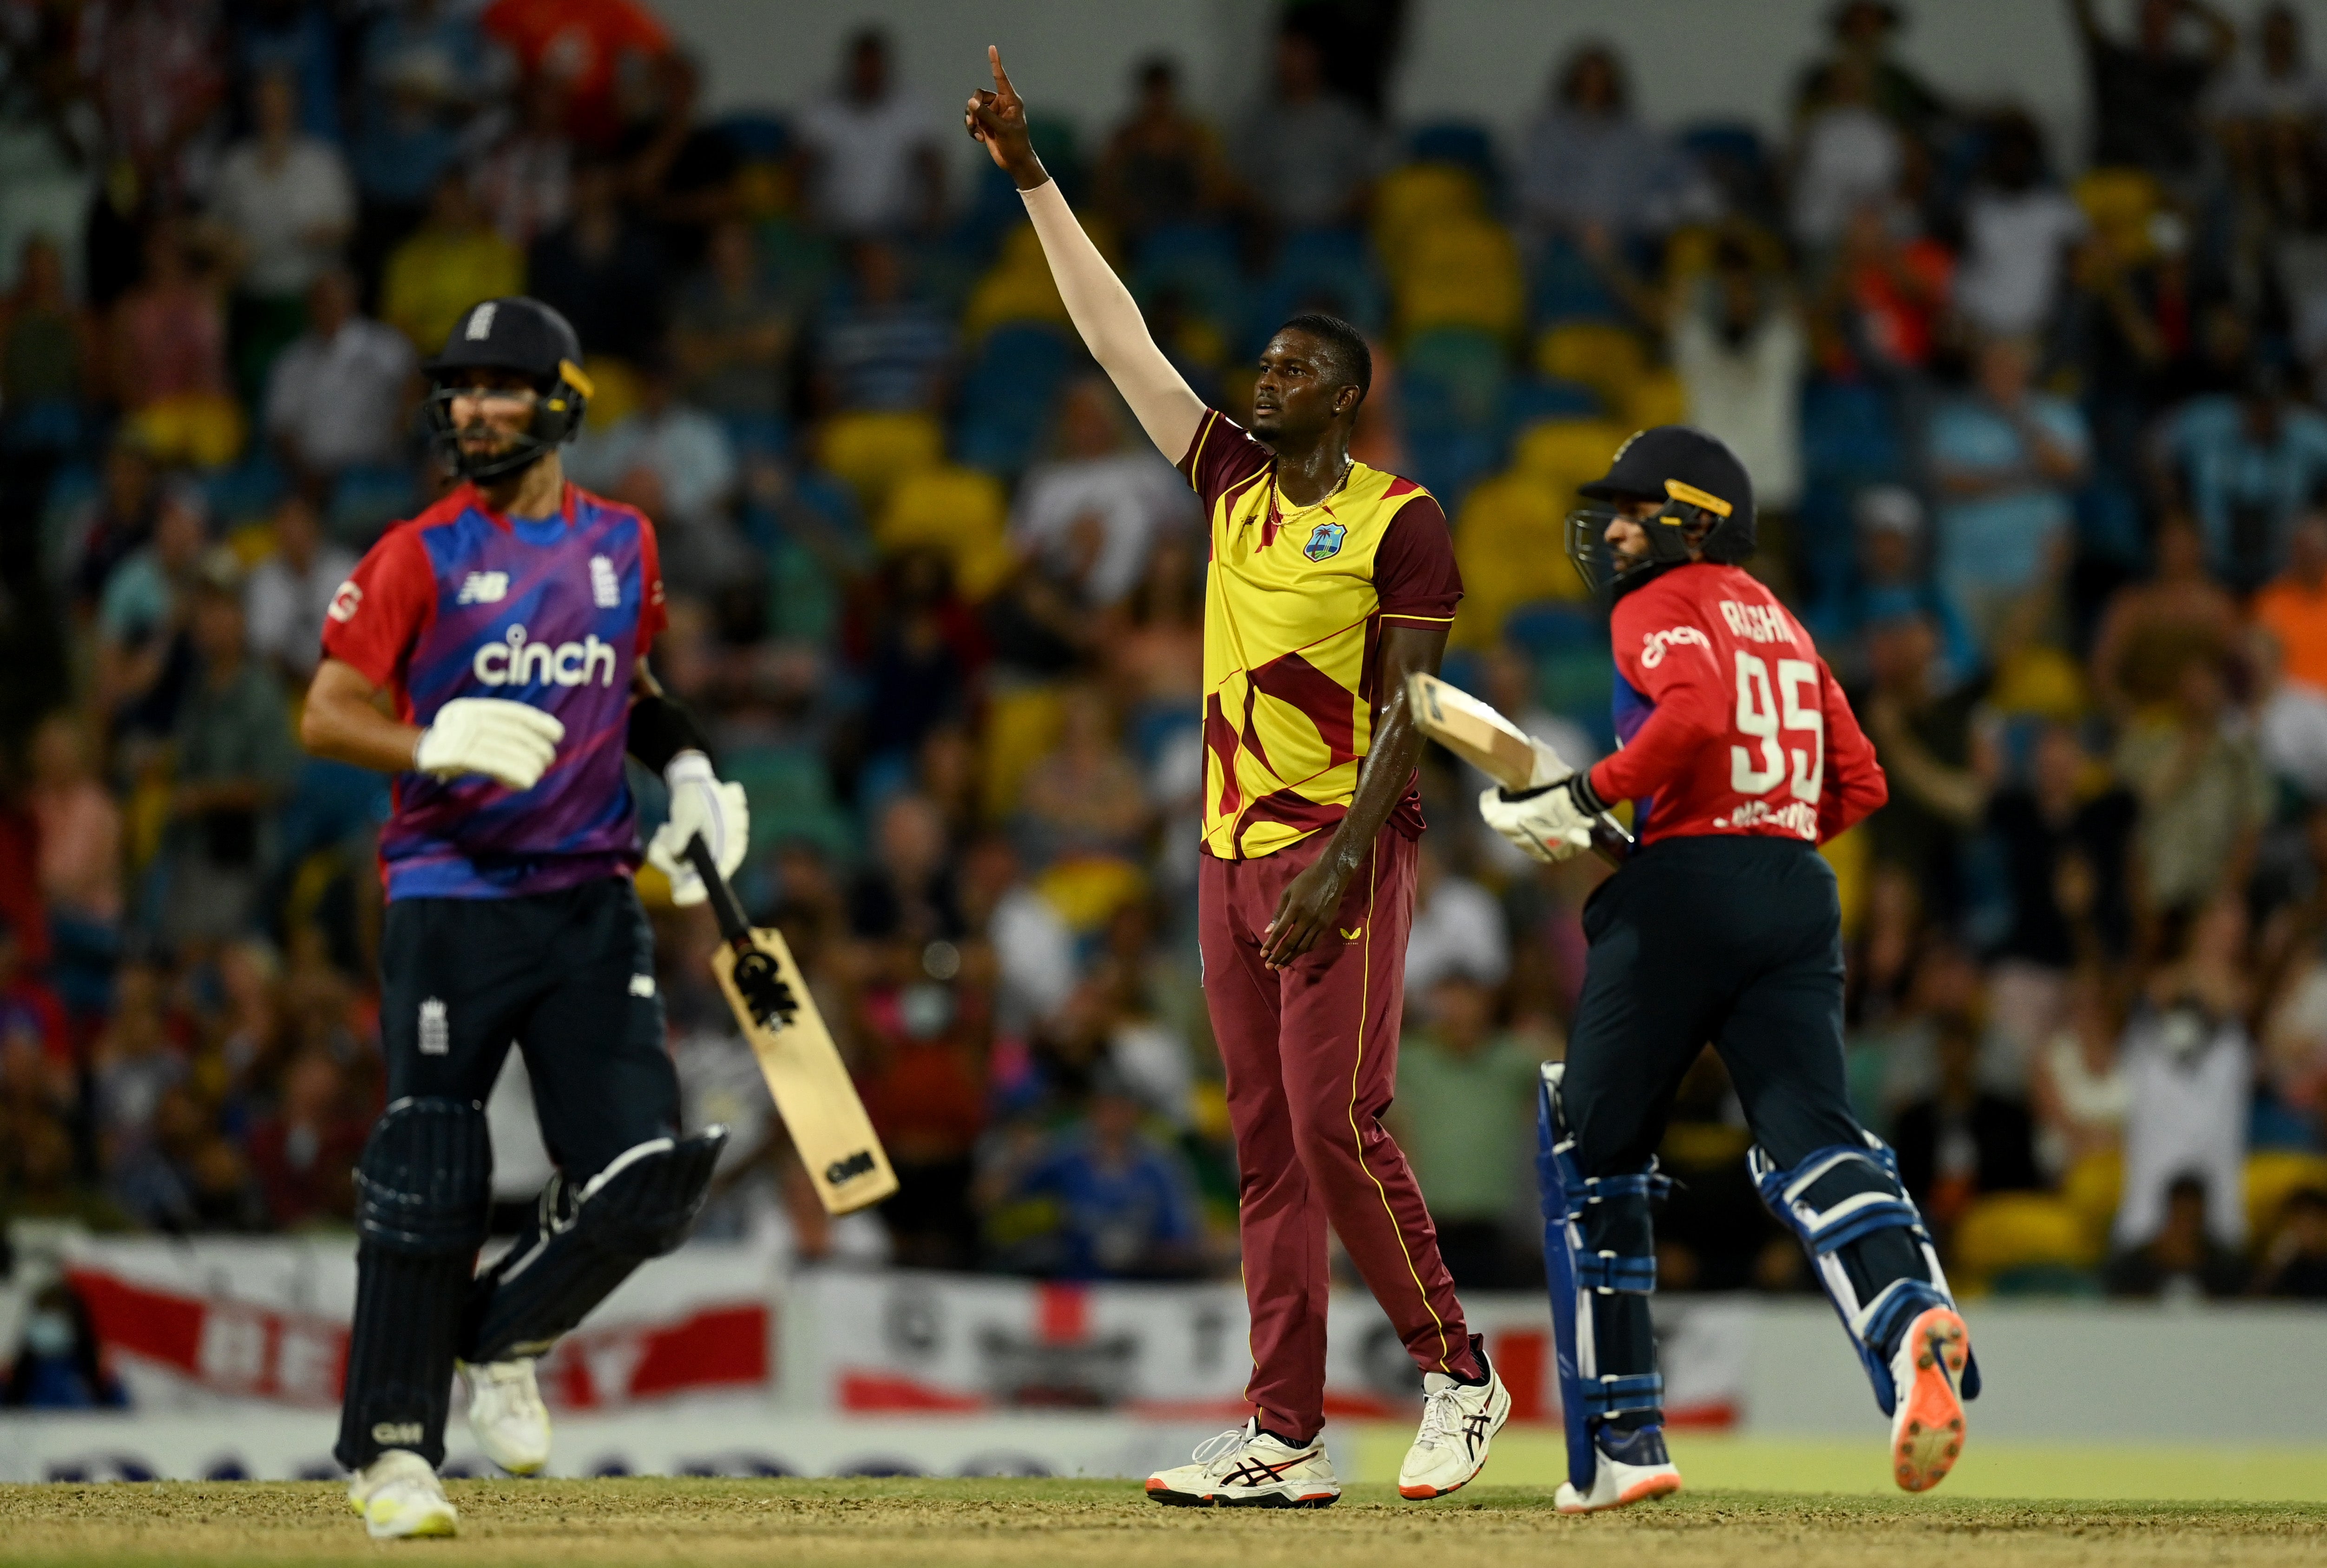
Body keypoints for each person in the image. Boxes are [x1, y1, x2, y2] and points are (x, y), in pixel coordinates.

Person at [969, 49, 1508, 1509]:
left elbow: (1414, 706)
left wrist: (1341, 859)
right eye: (1259, 366)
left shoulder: (1401, 521)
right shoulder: (1224, 481)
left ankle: (1458, 1371)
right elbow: (1118, 343)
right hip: (1222, 849)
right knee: (1265, 1150)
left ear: (1339, 398)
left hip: (1340, 849)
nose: (1256, 380)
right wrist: (1031, 175)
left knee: (1342, 1127)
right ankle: (1284, 1434)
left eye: (1285, 370)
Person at [296, 295, 750, 1539]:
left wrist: (697, 768)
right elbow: (325, 711)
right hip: (452, 895)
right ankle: (392, 1452)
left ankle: (504, 1335)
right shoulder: (418, 552)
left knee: (647, 1177)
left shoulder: (625, 542)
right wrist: (427, 734)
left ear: (562, 402)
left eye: (503, 386)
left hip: (593, 898)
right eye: (461, 388)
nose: (476, 408)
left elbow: (635, 680)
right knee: (432, 1165)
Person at [1479, 424, 1979, 1506]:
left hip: (1685, 894)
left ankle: (1623, 1451)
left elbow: (1696, 715)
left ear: (1691, 521)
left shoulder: (1656, 603)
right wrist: (1758, 833)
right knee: (1806, 1136)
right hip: (1795, 893)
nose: (1610, 528)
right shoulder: (1788, 627)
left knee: (1590, 1146)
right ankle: (1907, 1326)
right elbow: (1860, 783)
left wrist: (1584, 798)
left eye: (1630, 507)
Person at [261, 269, 419, 490]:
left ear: (352, 299)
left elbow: (414, 392)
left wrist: (395, 440)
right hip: (313, 476)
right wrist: (304, 472)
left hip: (376, 470)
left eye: (334, 298)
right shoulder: (292, 361)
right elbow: (281, 427)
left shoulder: (386, 346)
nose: (327, 307)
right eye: (320, 300)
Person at [795, 29, 945, 238]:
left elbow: (932, 163)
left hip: (898, 228)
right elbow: (800, 166)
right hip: (834, 229)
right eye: (864, 66)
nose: (869, 74)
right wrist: (802, 211)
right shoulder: (825, 108)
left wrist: (935, 208)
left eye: (875, 66)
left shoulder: (911, 107)